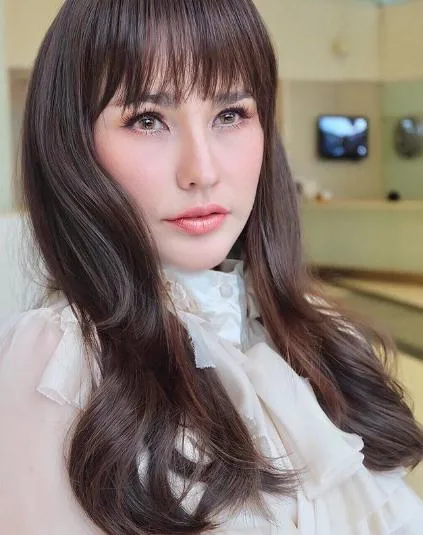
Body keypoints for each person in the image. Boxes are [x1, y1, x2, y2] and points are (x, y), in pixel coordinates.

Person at [1, 1, 423, 533]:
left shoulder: (318, 333)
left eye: (230, 115)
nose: (201, 170)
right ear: (73, 146)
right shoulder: (58, 366)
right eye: (147, 120)